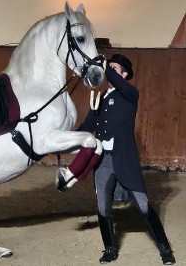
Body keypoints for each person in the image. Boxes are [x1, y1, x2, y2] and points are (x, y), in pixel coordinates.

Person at [58, 54, 176, 265]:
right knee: (103, 207)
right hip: (104, 161)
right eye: (108, 68)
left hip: (125, 159)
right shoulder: (99, 98)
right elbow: (87, 127)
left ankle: (165, 248)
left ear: (123, 74)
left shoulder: (130, 94)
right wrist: (65, 138)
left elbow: (115, 79)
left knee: (143, 206)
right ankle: (110, 248)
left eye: (114, 68)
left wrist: (104, 65)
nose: (109, 71)